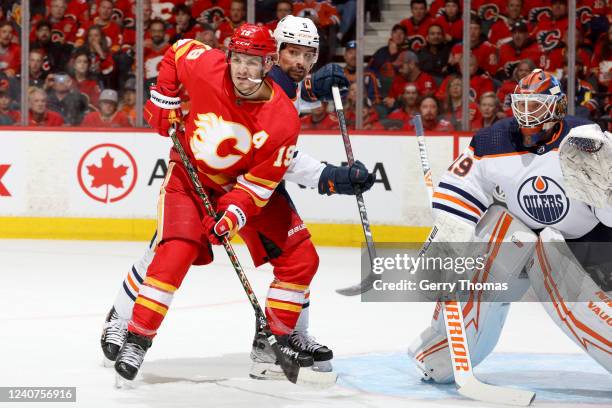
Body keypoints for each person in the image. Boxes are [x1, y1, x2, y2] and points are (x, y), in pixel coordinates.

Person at [104, 19, 371, 381]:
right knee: (167, 252)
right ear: (275, 54)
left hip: (248, 185)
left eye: (308, 55)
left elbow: (272, 163)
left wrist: (310, 95)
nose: (299, 60)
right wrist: (330, 176)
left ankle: (280, 337)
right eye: (292, 52)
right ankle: (123, 322)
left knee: (296, 254)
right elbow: (180, 54)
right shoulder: (229, 71)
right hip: (201, 176)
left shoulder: (281, 98)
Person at [408, 69, 612, 384]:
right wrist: (448, 242)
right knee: (501, 231)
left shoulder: (584, 138)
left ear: (556, 107)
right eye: (523, 105)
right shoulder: (491, 141)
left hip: (592, 247)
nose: (528, 114)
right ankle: (440, 355)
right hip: (525, 246)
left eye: (537, 106)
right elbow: (458, 195)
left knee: (554, 251)